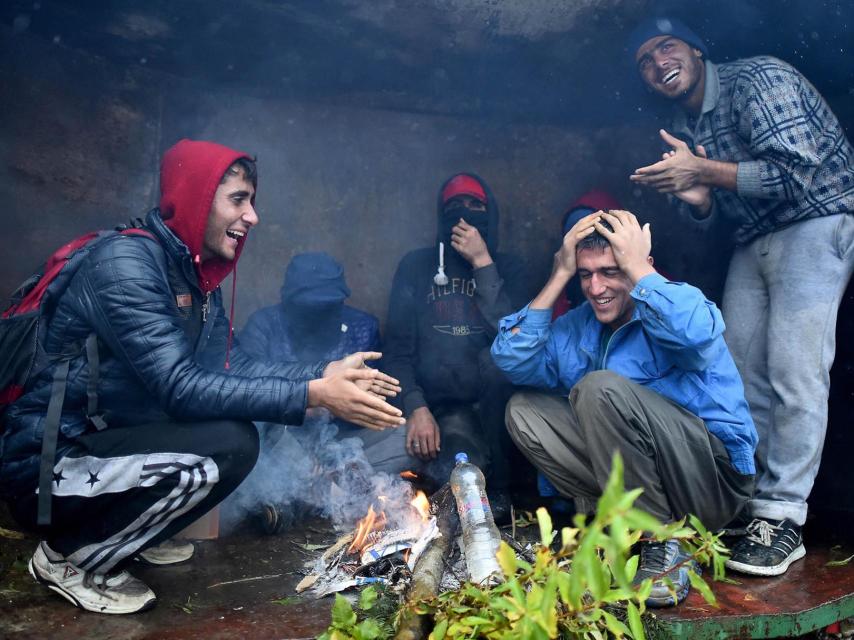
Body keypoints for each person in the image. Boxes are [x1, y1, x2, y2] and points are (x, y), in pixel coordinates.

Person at [0, 139, 405, 614]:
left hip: (103, 448)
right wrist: (313, 393)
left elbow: (236, 367)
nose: (252, 217)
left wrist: (324, 372)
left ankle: (129, 532)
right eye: (238, 199)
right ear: (195, 198)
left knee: (241, 426)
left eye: (251, 201)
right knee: (232, 444)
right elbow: (179, 386)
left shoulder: (191, 276)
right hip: (48, 471)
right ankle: (69, 556)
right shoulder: (126, 265)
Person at [628, 17, 854, 576]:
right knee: (736, 370)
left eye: (667, 48)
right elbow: (710, 219)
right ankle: (743, 503)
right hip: (756, 238)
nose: (659, 65)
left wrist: (701, 169)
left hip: (818, 221)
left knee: (795, 370)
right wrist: (699, 194)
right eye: (645, 63)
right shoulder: (682, 122)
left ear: (698, 50)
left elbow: (796, 175)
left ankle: (783, 518)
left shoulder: (760, 80)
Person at [491, 209, 757, 607]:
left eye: (610, 271)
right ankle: (617, 525)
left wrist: (637, 266)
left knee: (599, 390)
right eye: (586, 274)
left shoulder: (676, 303)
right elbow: (511, 359)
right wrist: (559, 274)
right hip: (643, 485)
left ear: (638, 264)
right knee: (524, 410)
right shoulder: (579, 325)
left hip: (711, 482)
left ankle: (663, 542)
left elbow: (695, 333)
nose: (596, 288)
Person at [383, 173, 527, 507]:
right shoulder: (416, 266)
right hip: (439, 410)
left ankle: (504, 487)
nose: (464, 213)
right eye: (454, 206)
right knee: (456, 474)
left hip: (496, 409)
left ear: (489, 213)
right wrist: (415, 406)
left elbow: (515, 341)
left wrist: (482, 263)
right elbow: (397, 351)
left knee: (496, 362)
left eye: (474, 205)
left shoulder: (510, 267)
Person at [238, 251, 417, 475]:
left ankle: (337, 475)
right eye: (311, 307)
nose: (319, 315)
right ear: (287, 300)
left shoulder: (362, 328)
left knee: (407, 436)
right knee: (257, 439)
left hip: (345, 439)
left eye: (328, 306)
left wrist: (347, 404)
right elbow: (247, 394)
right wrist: (312, 403)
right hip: (285, 439)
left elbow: (372, 399)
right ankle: (318, 480)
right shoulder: (263, 326)